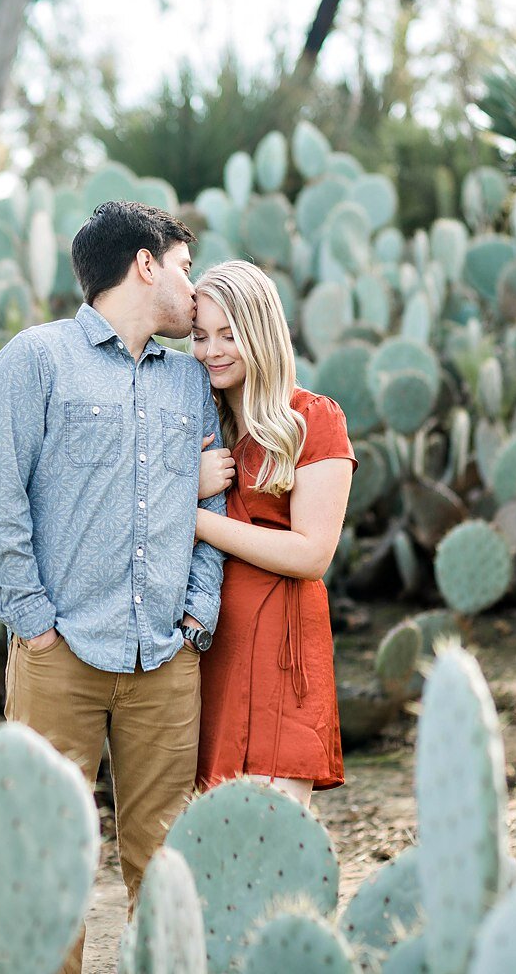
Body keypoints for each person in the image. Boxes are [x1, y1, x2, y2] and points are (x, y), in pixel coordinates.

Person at [0, 201, 226, 974]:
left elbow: (211, 508)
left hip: (165, 659)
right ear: (145, 264)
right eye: (184, 267)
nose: (193, 286)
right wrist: (35, 623)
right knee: (49, 861)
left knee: (166, 859)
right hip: (62, 656)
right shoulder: (36, 360)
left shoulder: (192, 384)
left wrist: (196, 615)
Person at [188, 259, 355, 809]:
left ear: (259, 333)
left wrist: (195, 519)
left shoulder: (311, 419)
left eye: (228, 335)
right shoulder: (200, 427)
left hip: (283, 652)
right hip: (209, 646)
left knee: (272, 842)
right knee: (213, 841)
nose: (212, 350)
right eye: (200, 335)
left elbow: (313, 553)